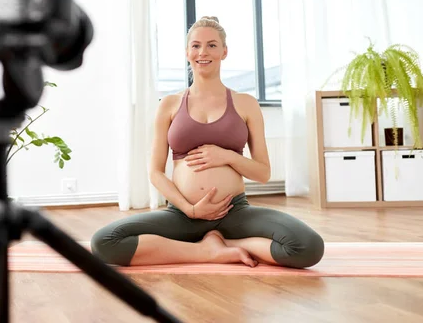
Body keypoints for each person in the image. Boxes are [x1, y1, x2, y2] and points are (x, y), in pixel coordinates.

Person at [91, 16, 324, 268]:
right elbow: (155, 172)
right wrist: (190, 210)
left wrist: (228, 157)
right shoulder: (169, 104)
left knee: (308, 247)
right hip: (183, 214)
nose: (203, 52)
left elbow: (263, 173)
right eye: (196, 45)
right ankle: (207, 251)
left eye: (212, 45)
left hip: (234, 212)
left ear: (224, 51)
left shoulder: (245, 103)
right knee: (105, 242)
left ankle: (232, 243)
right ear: (187, 52)